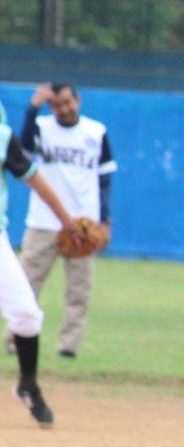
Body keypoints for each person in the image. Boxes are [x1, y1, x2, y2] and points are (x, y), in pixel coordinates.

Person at [4, 82, 116, 360]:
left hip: (82, 223)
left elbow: (104, 178)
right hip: (42, 221)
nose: (63, 108)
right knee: (26, 283)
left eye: (67, 102)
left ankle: (69, 346)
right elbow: (22, 152)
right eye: (56, 104)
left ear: (78, 100)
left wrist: (104, 220)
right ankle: (15, 341)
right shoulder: (41, 127)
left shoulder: (96, 132)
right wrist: (32, 108)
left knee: (79, 290)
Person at [0, 102, 79, 426]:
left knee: (27, 316)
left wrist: (66, 221)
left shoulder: (2, 137)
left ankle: (28, 385)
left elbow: (35, 179)